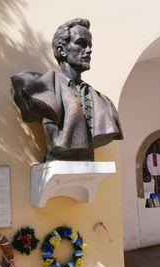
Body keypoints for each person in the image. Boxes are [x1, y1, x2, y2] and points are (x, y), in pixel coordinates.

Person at [11, 18, 123, 161]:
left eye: (90, 45)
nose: (89, 50)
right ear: (61, 50)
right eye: (81, 44)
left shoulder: (105, 102)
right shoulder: (40, 89)